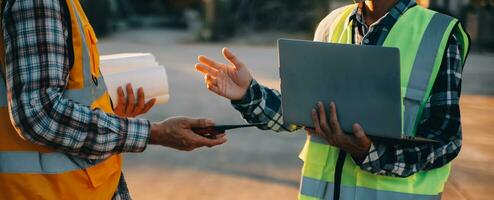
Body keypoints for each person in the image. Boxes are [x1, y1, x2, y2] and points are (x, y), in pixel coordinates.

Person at [195, 0, 470, 199]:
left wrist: (369, 152)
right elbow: (300, 113)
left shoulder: (438, 35)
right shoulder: (331, 24)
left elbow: (445, 141)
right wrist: (247, 93)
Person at [0, 0, 226, 199]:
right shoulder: (38, 2)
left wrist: (108, 107)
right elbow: (39, 113)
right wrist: (154, 133)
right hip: (50, 192)